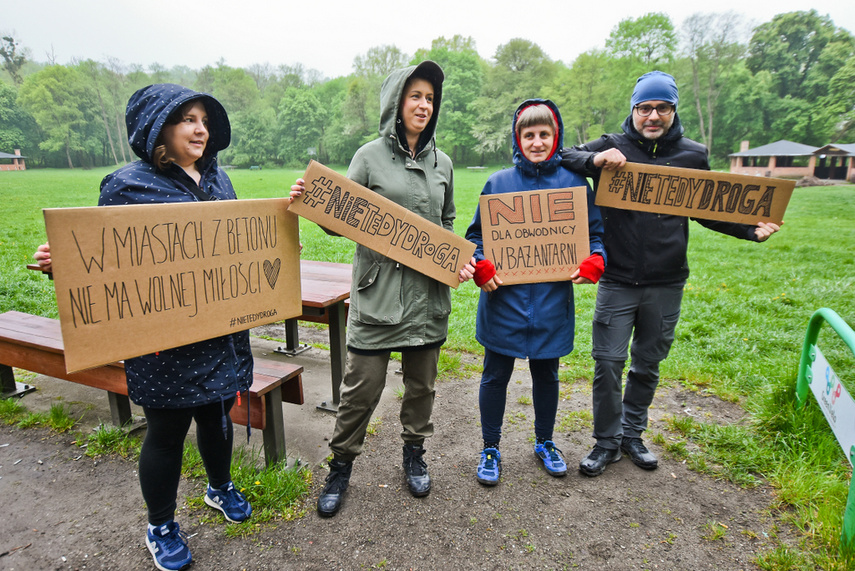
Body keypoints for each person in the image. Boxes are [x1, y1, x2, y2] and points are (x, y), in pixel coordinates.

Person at [35, 84, 253, 571]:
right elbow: (105, 256)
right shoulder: (125, 185)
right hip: (163, 343)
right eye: (187, 119)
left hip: (220, 334)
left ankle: (220, 488)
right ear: (159, 129)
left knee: (219, 417)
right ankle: (161, 524)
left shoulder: (221, 180)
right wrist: (63, 263)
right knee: (167, 431)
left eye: (204, 119)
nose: (200, 128)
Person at [560, 71, 780, 477]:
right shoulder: (613, 145)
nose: (653, 115)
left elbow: (709, 209)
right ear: (634, 109)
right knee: (607, 362)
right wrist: (596, 161)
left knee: (647, 363)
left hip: (666, 281)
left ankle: (633, 435)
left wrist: (751, 230)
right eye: (645, 107)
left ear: (673, 110)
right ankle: (606, 443)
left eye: (662, 107)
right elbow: (562, 156)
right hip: (618, 280)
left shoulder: (692, 155)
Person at [290, 61, 475, 517]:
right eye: (415, 96)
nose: (423, 105)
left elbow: (448, 219)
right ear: (397, 102)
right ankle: (340, 466)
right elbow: (341, 215)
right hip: (378, 295)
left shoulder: (443, 163)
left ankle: (414, 455)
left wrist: (453, 257)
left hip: (427, 298)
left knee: (421, 388)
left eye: (430, 98)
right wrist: (314, 204)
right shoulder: (368, 157)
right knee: (359, 391)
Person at [464, 100, 606, 485]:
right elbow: (476, 237)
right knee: (495, 375)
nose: (538, 142)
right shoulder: (498, 183)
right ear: (518, 138)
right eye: (529, 135)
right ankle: (490, 447)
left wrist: (596, 260)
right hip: (503, 303)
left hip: (551, 303)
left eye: (544, 134)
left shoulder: (575, 185)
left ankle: (545, 441)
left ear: (555, 136)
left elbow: (596, 236)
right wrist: (481, 265)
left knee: (548, 375)